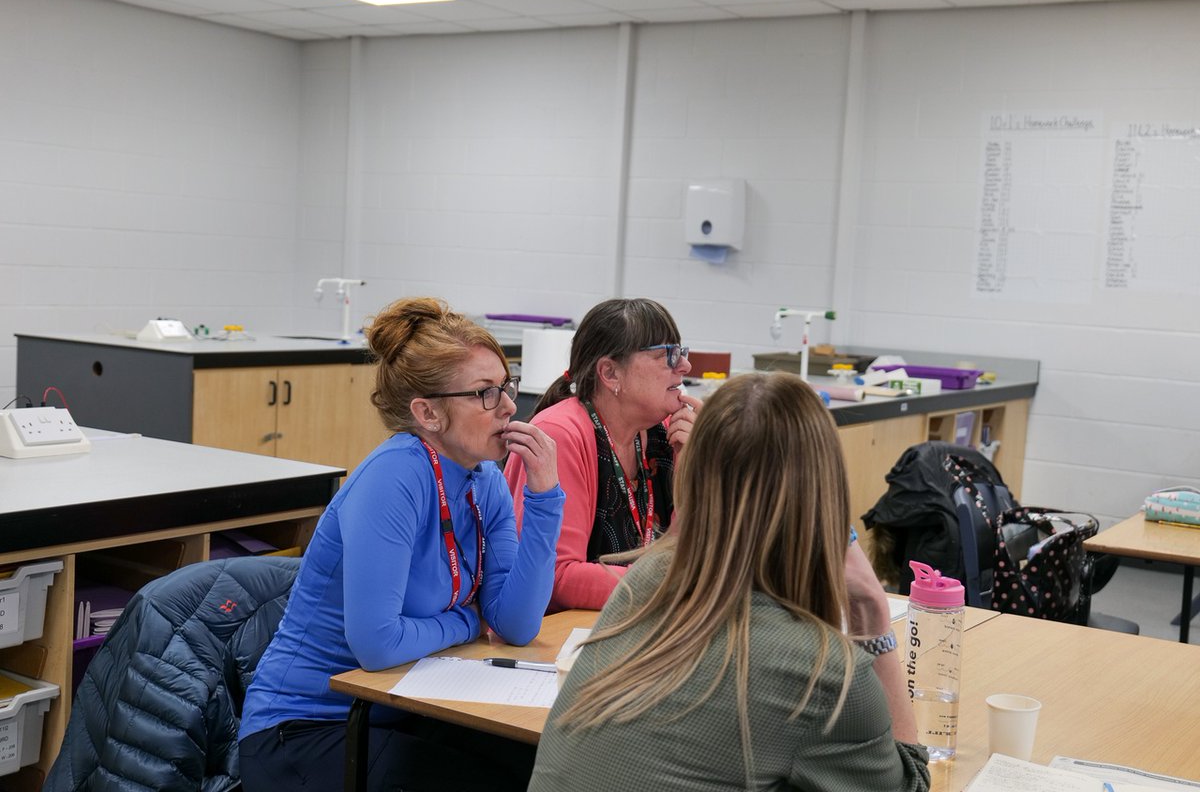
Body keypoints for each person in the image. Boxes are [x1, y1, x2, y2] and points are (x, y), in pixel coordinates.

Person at [528, 372, 931, 792]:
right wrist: (872, 619)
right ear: (823, 495)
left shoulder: (646, 580)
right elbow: (912, 785)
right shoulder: (823, 673)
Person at [237, 297, 564, 792]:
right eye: (484, 393)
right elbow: (377, 644)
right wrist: (467, 621)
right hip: (304, 729)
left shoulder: (486, 481)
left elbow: (517, 625)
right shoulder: (395, 476)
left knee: (540, 764)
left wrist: (544, 498)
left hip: (400, 708)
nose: (509, 405)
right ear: (427, 412)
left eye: (507, 385)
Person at [504, 297, 701, 611]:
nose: (685, 366)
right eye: (667, 354)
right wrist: (673, 590)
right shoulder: (561, 433)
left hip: (634, 622)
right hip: (555, 641)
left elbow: (690, 558)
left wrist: (694, 469)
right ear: (610, 373)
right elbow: (556, 579)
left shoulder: (668, 431)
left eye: (682, 351)